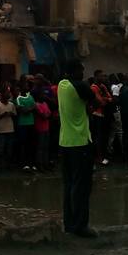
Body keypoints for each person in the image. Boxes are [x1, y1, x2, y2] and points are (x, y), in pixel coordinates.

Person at [59, 60, 98, 238]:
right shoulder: (80, 86)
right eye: (81, 70)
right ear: (74, 71)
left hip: (65, 142)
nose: (83, 74)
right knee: (82, 186)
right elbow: (96, 102)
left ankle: (69, 224)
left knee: (69, 185)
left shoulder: (61, 84)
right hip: (80, 142)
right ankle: (81, 225)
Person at [89, 71, 111, 166]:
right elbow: (101, 102)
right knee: (97, 138)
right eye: (101, 76)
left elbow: (110, 99)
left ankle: (100, 156)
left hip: (102, 115)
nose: (104, 77)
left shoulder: (102, 87)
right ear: (96, 77)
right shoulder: (94, 88)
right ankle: (98, 158)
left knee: (101, 137)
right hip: (96, 115)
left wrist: (105, 98)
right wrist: (105, 98)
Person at [15, 79, 37, 171]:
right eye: (25, 86)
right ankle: (24, 164)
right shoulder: (18, 98)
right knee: (23, 144)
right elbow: (22, 110)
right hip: (22, 124)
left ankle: (31, 163)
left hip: (31, 123)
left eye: (28, 86)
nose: (27, 87)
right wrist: (29, 109)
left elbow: (34, 106)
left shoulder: (30, 96)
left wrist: (28, 109)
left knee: (31, 144)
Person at [0, 87, 17, 170]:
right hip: (1, 130)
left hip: (10, 129)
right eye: (7, 93)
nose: (8, 95)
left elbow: (15, 115)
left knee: (9, 149)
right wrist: (3, 115)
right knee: (1, 149)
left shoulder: (12, 105)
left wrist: (11, 114)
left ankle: (8, 165)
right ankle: (0, 165)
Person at [34, 90, 52, 171]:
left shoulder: (45, 103)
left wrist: (46, 115)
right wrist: (46, 115)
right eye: (42, 95)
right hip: (40, 129)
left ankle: (46, 163)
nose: (44, 96)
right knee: (40, 147)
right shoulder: (36, 105)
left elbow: (49, 113)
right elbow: (43, 115)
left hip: (46, 128)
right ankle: (40, 164)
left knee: (46, 147)